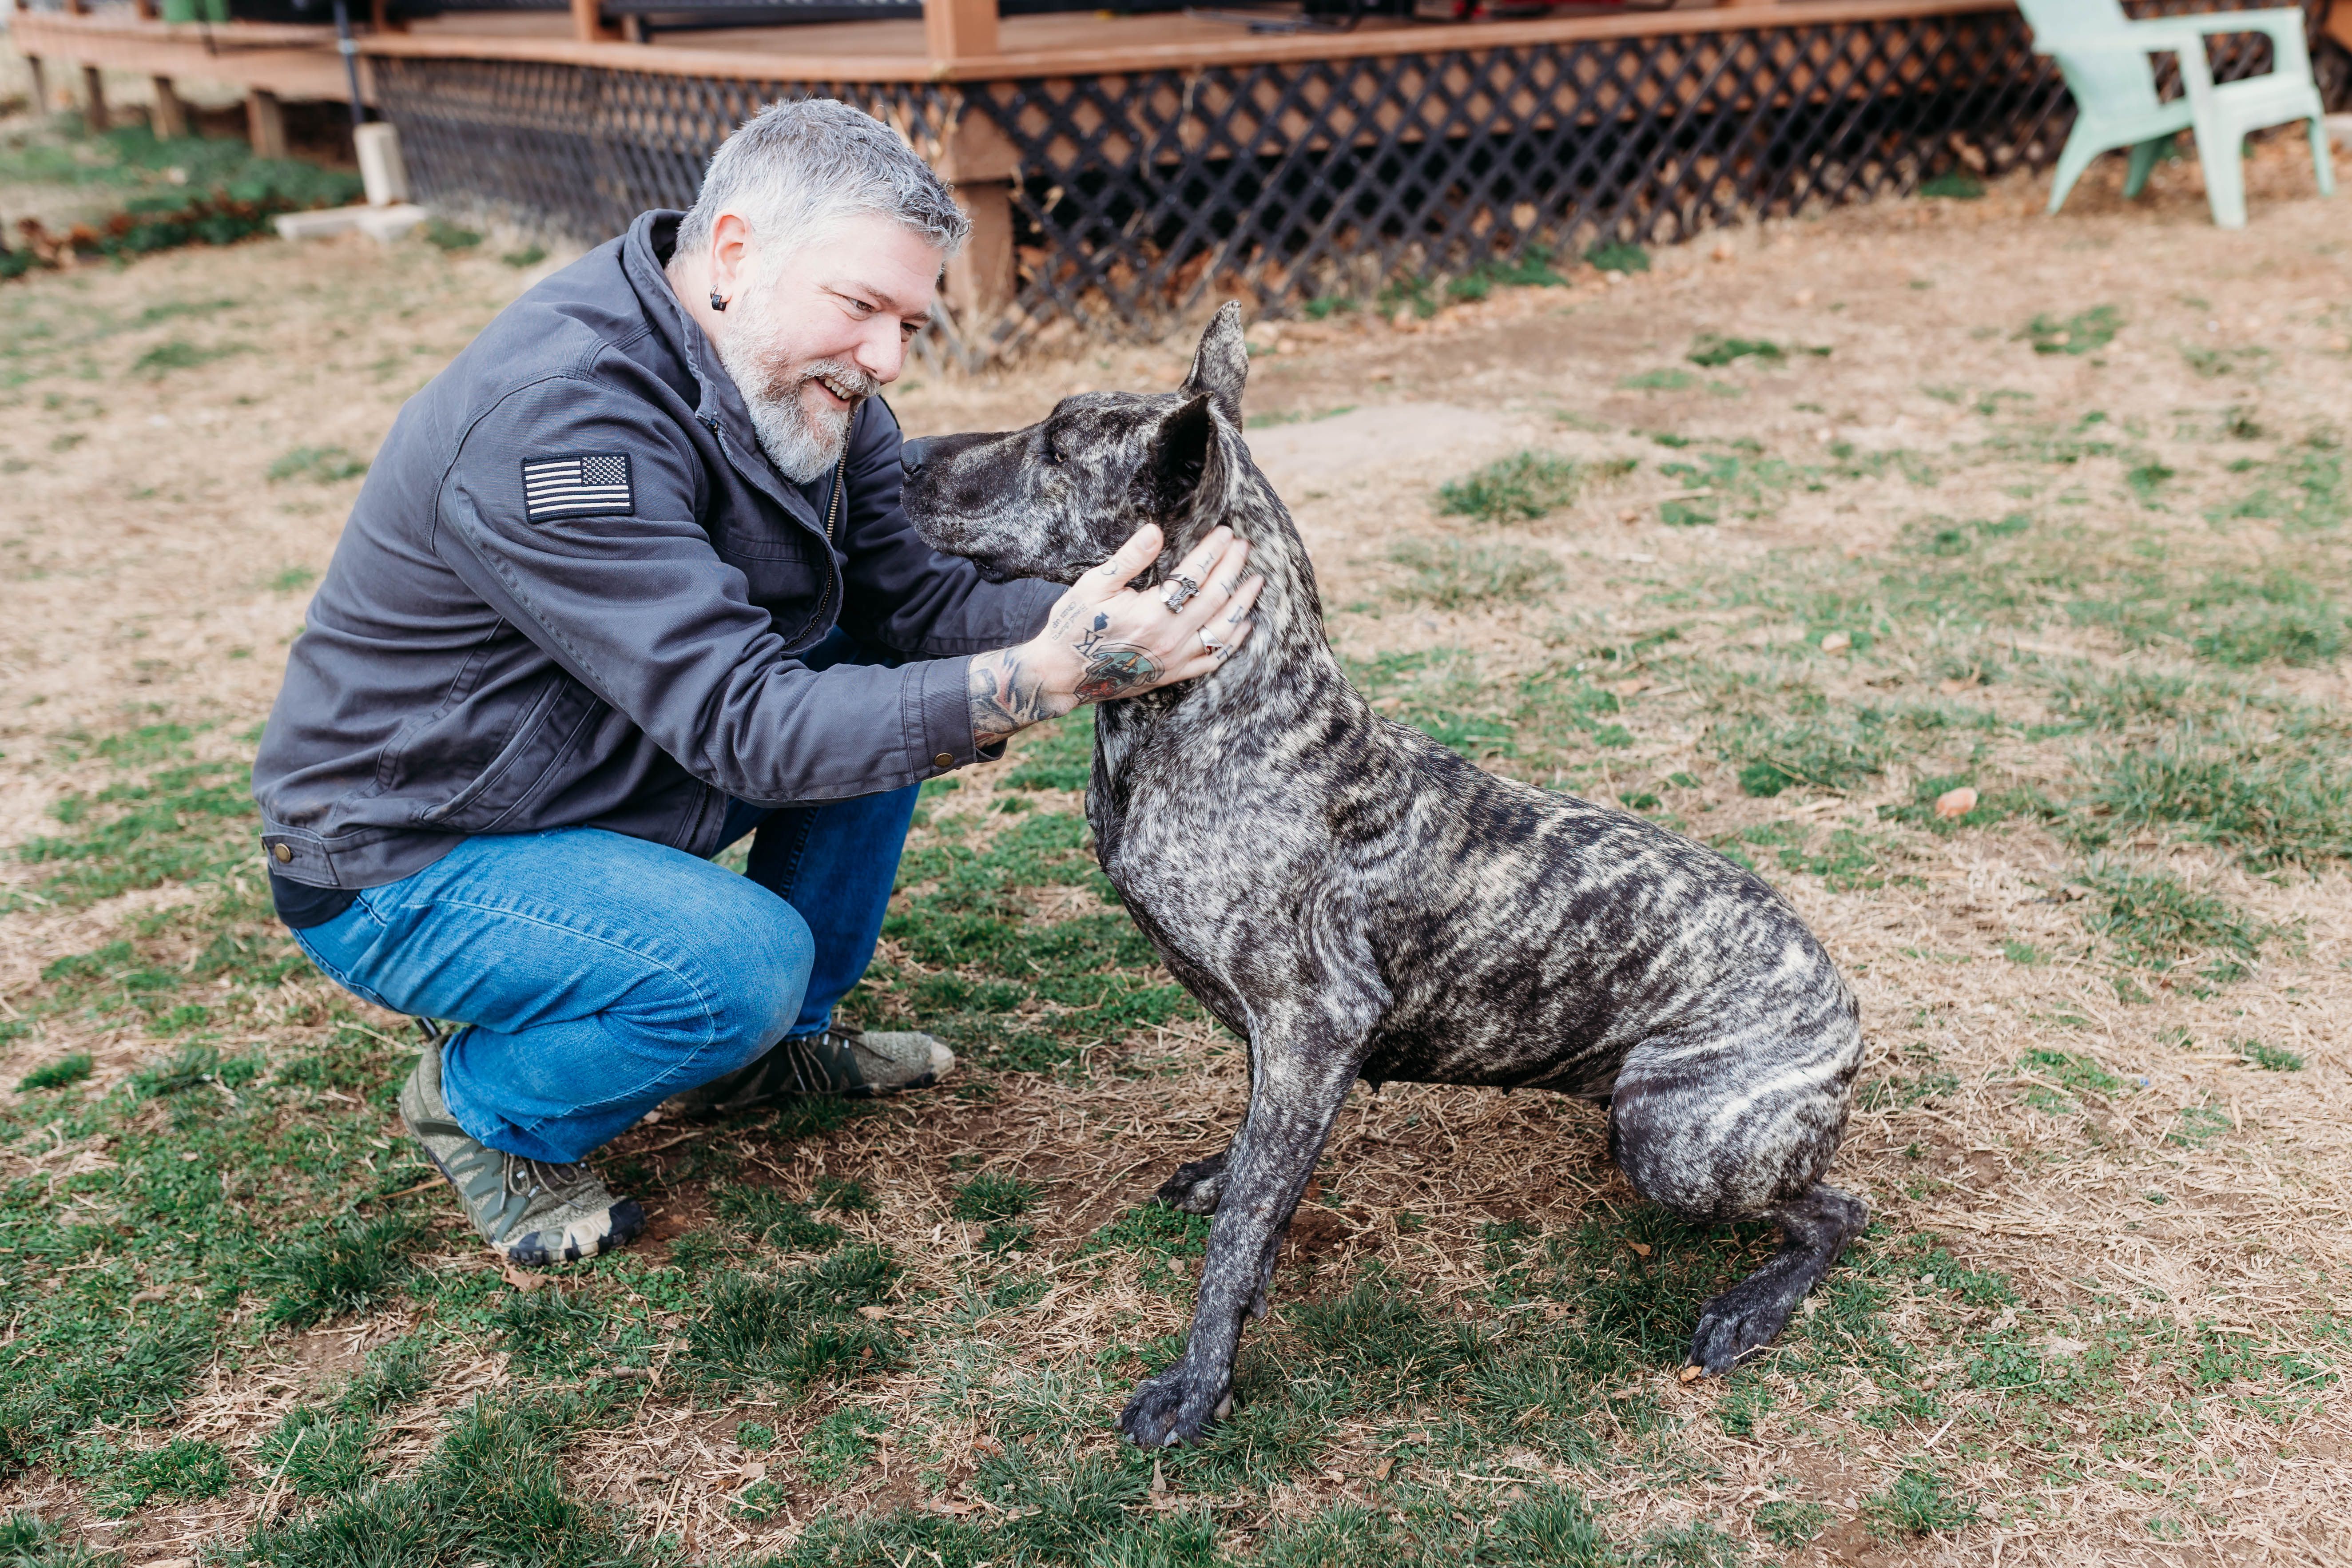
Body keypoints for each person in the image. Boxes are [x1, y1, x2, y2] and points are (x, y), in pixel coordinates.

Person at [251, 100, 1263, 1266]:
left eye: (908, 323)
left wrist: (1128, 618)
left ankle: (774, 1052)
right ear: (734, 254)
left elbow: (915, 612)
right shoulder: (561, 425)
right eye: (861, 307)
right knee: (739, 967)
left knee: (884, 675)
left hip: (603, 771)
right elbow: (747, 726)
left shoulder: (806, 379)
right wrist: (1041, 677)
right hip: (411, 848)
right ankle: (490, 1106)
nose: (886, 360)